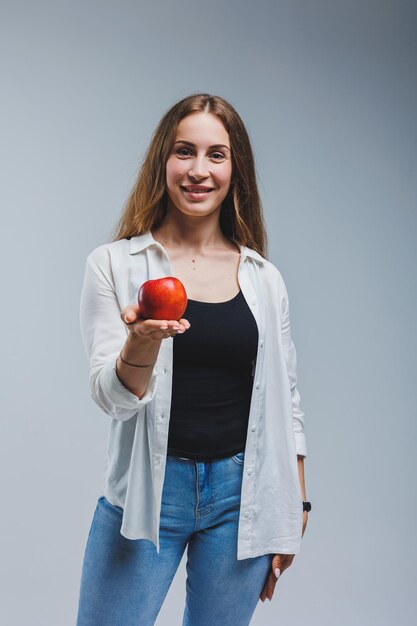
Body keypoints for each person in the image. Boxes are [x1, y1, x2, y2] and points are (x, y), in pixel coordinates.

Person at [76, 93, 310, 626]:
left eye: (216, 155)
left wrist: (294, 508)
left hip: (241, 499)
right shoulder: (115, 264)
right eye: (185, 151)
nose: (198, 170)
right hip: (147, 492)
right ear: (164, 160)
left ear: (236, 169)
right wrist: (142, 341)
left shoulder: (263, 278)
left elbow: (288, 400)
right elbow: (110, 398)